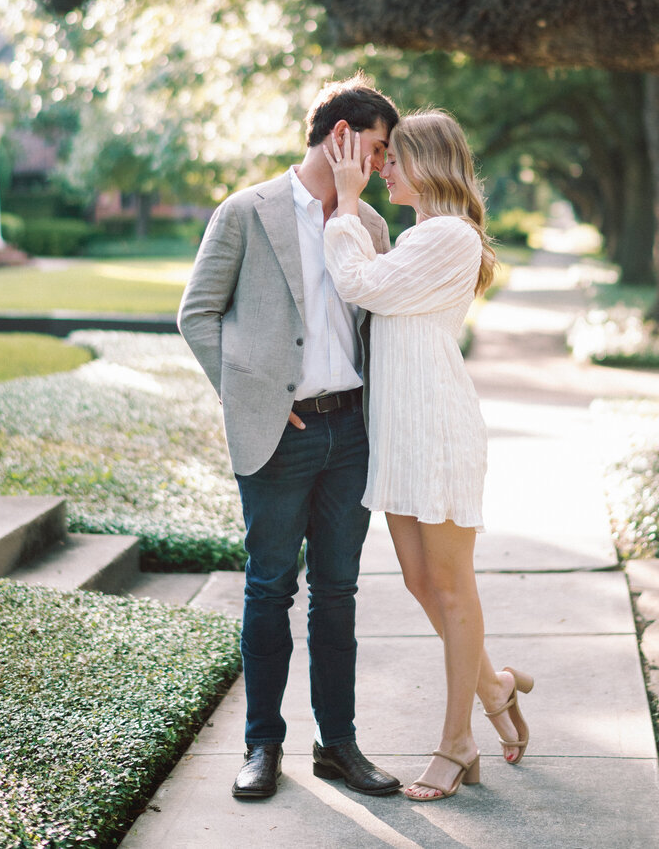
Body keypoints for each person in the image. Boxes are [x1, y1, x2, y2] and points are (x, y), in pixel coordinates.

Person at [177, 75, 401, 801]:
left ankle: (337, 743)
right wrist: (252, 396)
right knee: (269, 588)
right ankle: (261, 746)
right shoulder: (247, 211)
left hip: (352, 434)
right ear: (340, 136)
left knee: (338, 594)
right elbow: (197, 313)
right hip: (282, 433)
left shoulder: (369, 225)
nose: (383, 163)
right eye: (377, 147)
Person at [323, 110, 534, 802]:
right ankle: (497, 686)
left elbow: (361, 283)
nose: (383, 167)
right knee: (420, 581)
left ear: (430, 162)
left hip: (438, 432)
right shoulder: (422, 235)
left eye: (394, 158)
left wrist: (347, 204)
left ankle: (458, 742)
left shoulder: (448, 235)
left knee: (451, 585)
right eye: (380, 160)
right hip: (403, 435)